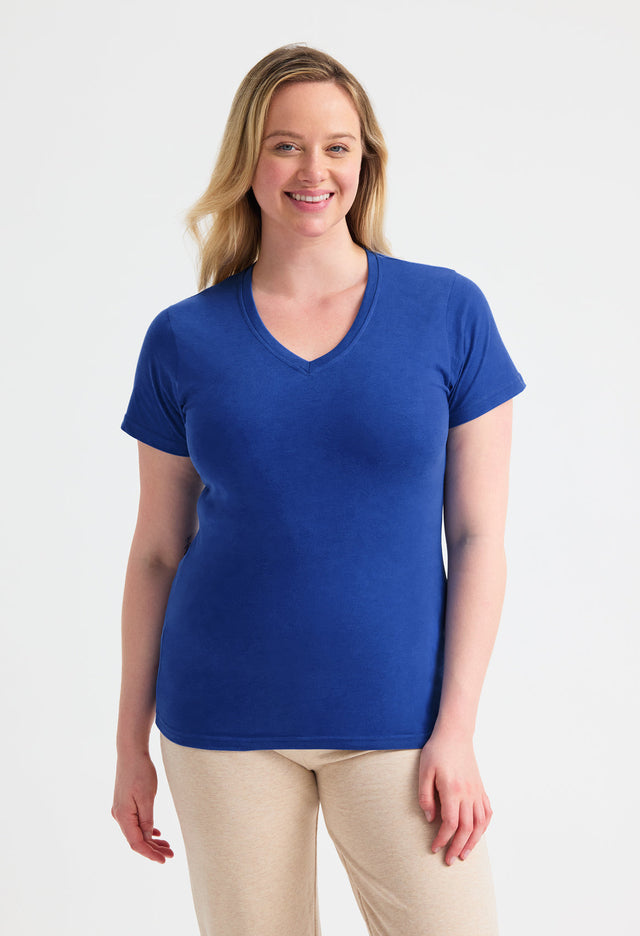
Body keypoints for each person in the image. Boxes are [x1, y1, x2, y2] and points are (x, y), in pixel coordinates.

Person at [111, 43, 525, 936]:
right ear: (249, 161)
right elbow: (156, 554)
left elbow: (479, 538)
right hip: (221, 722)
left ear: (365, 160)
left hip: (402, 723)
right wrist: (128, 745)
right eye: (286, 145)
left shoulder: (448, 311)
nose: (313, 170)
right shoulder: (183, 338)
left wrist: (456, 729)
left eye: (337, 146)